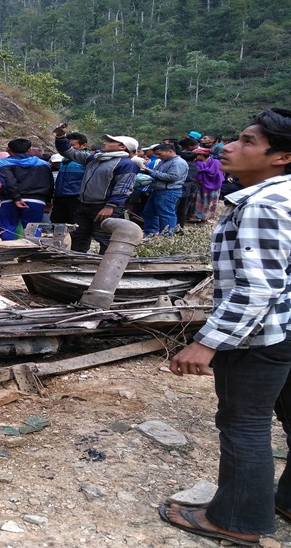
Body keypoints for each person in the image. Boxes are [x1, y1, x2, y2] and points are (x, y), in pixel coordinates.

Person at [160, 108, 291, 547]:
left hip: (259, 335)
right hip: (286, 329)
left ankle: (237, 519)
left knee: (245, 425)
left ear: (282, 156)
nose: (228, 147)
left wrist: (207, 342)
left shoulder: (263, 206)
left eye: (247, 141)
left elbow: (257, 287)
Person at [54, 125, 139, 254]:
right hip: (84, 204)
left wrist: (110, 206)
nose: (105, 143)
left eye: (111, 141)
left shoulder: (126, 164)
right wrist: (60, 135)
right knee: (78, 236)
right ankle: (78, 262)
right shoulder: (94, 159)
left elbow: (124, 187)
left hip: (104, 206)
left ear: (123, 147)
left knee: (103, 237)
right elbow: (68, 152)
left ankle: (103, 267)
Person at [0, 138, 53, 241]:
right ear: (29, 149)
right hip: (36, 200)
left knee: (8, 228)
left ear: (8, 149)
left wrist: (17, 199)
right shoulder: (44, 164)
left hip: (9, 200)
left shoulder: (3, 163)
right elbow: (49, 183)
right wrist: (48, 200)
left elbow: (9, 181)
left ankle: (9, 253)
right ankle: (31, 253)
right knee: (33, 229)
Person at [140, 143, 188, 236]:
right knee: (149, 212)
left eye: (160, 154)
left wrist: (152, 172)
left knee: (166, 214)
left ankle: (167, 236)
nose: (158, 157)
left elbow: (173, 177)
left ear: (170, 151)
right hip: (158, 190)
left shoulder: (178, 162)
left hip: (169, 191)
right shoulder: (164, 161)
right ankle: (151, 233)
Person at [51, 132, 88, 224]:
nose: (68, 148)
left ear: (83, 145)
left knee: (74, 226)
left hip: (76, 199)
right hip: (60, 198)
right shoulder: (64, 160)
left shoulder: (88, 160)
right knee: (57, 225)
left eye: (72, 145)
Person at [189, 147, 225, 222]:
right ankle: (199, 217)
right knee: (203, 201)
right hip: (208, 186)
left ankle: (205, 218)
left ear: (201, 155)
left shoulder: (215, 163)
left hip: (210, 186)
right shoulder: (214, 163)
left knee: (206, 202)